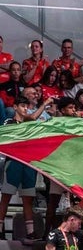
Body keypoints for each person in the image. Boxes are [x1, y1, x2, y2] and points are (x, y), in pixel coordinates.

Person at [0, 96, 45, 240]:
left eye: (27, 106)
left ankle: (30, 232)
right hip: (13, 163)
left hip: (28, 164)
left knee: (28, 200)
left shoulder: (30, 125)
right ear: (15, 107)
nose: (25, 108)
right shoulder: (9, 122)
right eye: (22, 106)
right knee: (6, 198)